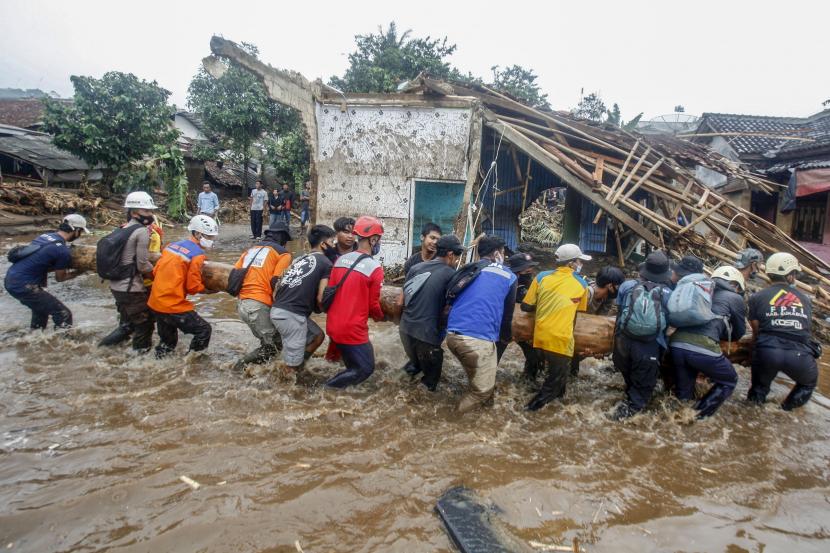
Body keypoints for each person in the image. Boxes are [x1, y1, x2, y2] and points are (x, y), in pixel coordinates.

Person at [446, 235, 517, 413]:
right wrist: (506, 338)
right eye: (502, 252)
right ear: (496, 254)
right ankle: (451, 420)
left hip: (453, 337)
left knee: (480, 380)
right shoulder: (508, 275)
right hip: (476, 341)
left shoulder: (469, 269)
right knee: (481, 392)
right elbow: (507, 317)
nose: (504, 255)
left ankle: (482, 417)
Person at [670, 265, 747, 418]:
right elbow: (739, 332)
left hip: (676, 345)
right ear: (736, 285)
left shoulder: (702, 292)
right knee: (729, 380)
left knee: (684, 396)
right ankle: (696, 417)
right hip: (702, 349)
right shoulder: (735, 297)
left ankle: (675, 420)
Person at [521, 244, 591, 411]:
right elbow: (579, 311)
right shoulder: (582, 285)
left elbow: (526, 306)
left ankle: (556, 409)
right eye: (579, 261)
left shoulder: (541, 277)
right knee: (552, 384)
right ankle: (529, 410)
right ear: (571, 263)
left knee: (558, 378)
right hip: (560, 340)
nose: (580, 264)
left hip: (539, 338)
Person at [746, 252, 818, 410]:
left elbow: (756, 330)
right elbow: (806, 329)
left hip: (768, 351)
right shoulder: (805, 300)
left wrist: (754, 352)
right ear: (791, 276)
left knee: (758, 391)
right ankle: (784, 410)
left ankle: (752, 419)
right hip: (799, 356)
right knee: (808, 383)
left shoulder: (757, 297)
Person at [324, 216, 386, 388]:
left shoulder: (340, 260)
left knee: (334, 363)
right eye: (378, 239)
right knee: (365, 368)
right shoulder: (375, 269)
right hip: (352, 329)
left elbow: (332, 291)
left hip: (333, 325)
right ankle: (327, 390)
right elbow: (373, 305)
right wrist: (382, 317)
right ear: (373, 239)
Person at [611, 250, 673, 419]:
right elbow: (670, 321)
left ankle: (620, 411)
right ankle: (621, 424)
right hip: (649, 347)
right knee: (640, 397)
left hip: (623, 343)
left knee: (630, 381)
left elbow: (620, 313)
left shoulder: (627, 286)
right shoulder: (668, 294)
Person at [147, 214, 219, 357]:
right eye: (209, 237)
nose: (211, 241)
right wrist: (209, 290)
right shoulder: (197, 255)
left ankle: (158, 368)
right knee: (204, 330)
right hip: (172, 304)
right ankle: (192, 363)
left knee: (168, 343)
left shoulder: (171, 246)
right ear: (198, 234)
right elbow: (193, 287)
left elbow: (155, 272)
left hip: (155, 302)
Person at [399, 234, 463, 391]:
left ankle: (395, 388)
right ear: (450, 254)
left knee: (415, 365)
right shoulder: (451, 275)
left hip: (405, 331)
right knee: (430, 385)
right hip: (426, 337)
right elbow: (449, 309)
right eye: (457, 256)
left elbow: (402, 301)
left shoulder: (415, 268)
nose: (457, 260)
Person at [270, 225, 337, 374]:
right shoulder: (326, 264)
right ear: (323, 244)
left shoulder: (300, 259)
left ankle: (300, 367)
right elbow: (321, 297)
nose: (334, 246)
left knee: (318, 336)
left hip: (278, 309)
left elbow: (278, 287)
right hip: (292, 316)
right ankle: (283, 389)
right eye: (332, 242)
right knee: (290, 368)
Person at [4, 214, 89, 329]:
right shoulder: (62, 251)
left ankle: (34, 340)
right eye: (81, 232)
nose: (80, 235)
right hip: (24, 286)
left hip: (11, 278)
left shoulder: (45, 236)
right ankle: (62, 344)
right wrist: (80, 271)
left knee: (41, 312)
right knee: (64, 314)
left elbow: (40, 260)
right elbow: (60, 278)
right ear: (76, 230)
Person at [98, 192, 158, 351]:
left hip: (116, 286)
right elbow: (143, 265)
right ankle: (140, 362)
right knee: (145, 325)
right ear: (133, 212)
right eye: (146, 211)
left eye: (151, 211)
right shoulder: (142, 231)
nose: (150, 215)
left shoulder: (122, 229)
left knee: (127, 325)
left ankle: (100, 349)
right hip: (131, 289)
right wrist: (159, 272)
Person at [233, 220, 293, 370]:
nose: (286, 244)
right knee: (273, 348)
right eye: (286, 240)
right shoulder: (283, 254)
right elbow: (276, 282)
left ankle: (264, 372)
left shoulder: (251, 250)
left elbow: (233, 273)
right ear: (282, 237)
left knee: (272, 341)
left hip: (242, 305)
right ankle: (238, 367)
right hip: (258, 305)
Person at [496, 253, 543, 383]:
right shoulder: (504, 281)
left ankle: (528, 381)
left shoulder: (531, 284)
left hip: (524, 327)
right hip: (503, 325)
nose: (531, 271)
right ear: (517, 270)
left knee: (535, 356)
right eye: (527, 269)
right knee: (494, 356)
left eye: (531, 268)